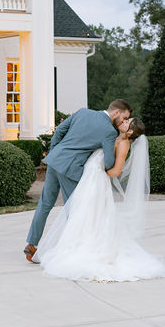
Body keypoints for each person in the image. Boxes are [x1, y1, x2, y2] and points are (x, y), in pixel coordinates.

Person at [35, 117, 165, 282]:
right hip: (89, 177)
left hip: (97, 180)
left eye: (128, 122)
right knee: (84, 213)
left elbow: (116, 171)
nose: (124, 121)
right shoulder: (112, 134)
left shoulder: (123, 144)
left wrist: (98, 173)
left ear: (130, 132)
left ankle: (92, 249)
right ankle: (80, 243)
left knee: (92, 213)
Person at [23, 99, 131, 262]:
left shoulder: (82, 112)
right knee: (74, 210)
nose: (123, 122)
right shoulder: (109, 131)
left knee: (45, 204)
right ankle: (69, 249)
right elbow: (108, 162)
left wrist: (55, 152)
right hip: (71, 169)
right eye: (123, 118)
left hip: (55, 160)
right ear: (116, 112)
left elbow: (59, 131)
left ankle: (31, 244)